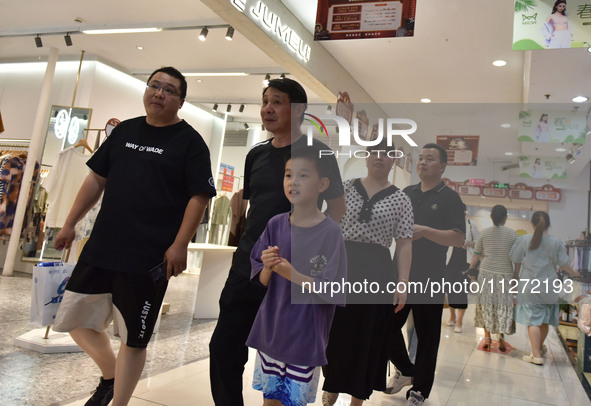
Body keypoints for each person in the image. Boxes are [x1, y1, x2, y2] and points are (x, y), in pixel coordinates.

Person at [52, 66, 216, 406]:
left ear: (181, 101)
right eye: (154, 86)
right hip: (102, 247)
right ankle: (111, 375)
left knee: (134, 338)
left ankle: (119, 402)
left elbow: (198, 196)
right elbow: (96, 179)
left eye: (168, 90)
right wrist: (69, 224)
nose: (158, 93)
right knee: (72, 321)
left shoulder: (190, 143)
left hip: (148, 257)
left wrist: (179, 245)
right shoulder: (124, 131)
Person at [209, 78, 345, 406]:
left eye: (277, 102)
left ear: (296, 109)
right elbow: (256, 210)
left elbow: (337, 209)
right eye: (265, 101)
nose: (268, 108)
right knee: (224, 349)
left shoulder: (318, 154)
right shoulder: (255, 154)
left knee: (284, 360)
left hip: (292, 276)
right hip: (249, 267)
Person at [247, 148, 347, 406]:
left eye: (303, 175)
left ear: (323, 184)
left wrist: (293, 274)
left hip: (305, 334)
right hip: (273, 330)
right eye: (289, 175)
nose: (293, 182)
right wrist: (269, 267)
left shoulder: (331, 233)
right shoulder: (275, 224)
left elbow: (334, 290)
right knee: (270, 400)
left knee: (294, 401)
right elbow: (260, 279)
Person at [322, 141, 413, 405]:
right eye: (375, 152)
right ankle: (332, 385)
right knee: (334, 329)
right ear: (366, 156)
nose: (380, 158)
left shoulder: (401, 198)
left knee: (368, 334)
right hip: (342, 263)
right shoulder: (346, 187)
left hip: (377, 269)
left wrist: (402, 282)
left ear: (394, 161)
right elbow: (329, 223)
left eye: (387, 154)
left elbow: (405, 242)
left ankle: (357, 397)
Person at [385, 143, 465, 406]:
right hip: (400, 274)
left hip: (430, 277)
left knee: (427, 337)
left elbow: (458, 238)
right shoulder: (406, 193)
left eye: (430, 159)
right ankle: (407, 369)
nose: (423, 162)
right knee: (385, 326)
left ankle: (419, 390)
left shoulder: (450, 198)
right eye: (420, 158)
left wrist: (425, 231)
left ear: (442, 166)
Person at [510, 211, 580, 365]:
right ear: (548, 224)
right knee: (544, 320)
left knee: (532, 320)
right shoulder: (555, 242)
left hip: (529, 284)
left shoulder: (524, 240)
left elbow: (516, 259)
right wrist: (573, 273)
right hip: (549, 285)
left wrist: (515, 278)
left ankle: (536, 355)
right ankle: (539, 348)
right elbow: (563, 263)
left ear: (532, 224)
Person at [469, 205, 518, 351]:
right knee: (502, 306)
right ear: (505, 218)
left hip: (486, 272)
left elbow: (476, 254)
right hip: (505, 274)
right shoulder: (513, 234)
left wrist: (471, 270)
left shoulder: (484, 233)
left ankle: (488, 338)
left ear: (491, 217)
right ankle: (501, 337)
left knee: (486, 305)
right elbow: (517, 258)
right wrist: (516, 276)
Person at [445, 206, 479, 333]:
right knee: (450, 291)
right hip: (449, 262)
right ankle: (452, 316)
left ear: (465, 211)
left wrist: (467, 243)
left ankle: (459, 320)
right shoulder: (449, 224)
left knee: (461, 293)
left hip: (465, 263)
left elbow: (478, 243)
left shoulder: (471, 225)